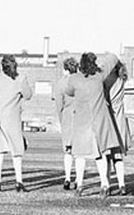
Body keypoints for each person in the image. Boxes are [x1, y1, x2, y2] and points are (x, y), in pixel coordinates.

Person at [64, 51, 123, 197]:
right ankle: (105, 184)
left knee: (79, 155)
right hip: (98, 120)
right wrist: (105, 59)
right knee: (100, 154)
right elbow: (114, 58)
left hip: (81, 121)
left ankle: (79, 184)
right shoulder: (99, 76)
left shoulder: (74, 79)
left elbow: (69, 92)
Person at [0, 54, 33, 192]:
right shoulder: (20, 78)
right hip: (11, 117)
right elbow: (28, 95)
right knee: (16, 150)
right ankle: (19, 181)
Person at [106, 61, 131, 195]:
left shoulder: (108, 81)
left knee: (107, 156)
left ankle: (107, 184)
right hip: (120, 117)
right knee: (118, 156)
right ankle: (122, 184)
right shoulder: (122, 79)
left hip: (109, 117)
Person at [54, 57, 80, 189]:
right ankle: (78, 179)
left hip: (67, 117)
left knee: (67, 151)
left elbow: (59, 105)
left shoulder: (60, 83)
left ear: (65, 69)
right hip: (80, 118)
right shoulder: (81, 80)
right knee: (80, 151)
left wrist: (61, 120)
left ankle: (68, 177)